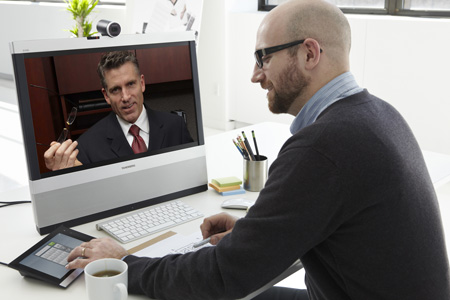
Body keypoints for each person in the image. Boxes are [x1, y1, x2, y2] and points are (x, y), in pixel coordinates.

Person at [66, 0, 450, 299]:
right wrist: (257, 233)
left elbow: (226, 275)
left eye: (263, 57)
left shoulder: (324, 146)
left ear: (309, 53)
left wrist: (124, 264)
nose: (254, 74)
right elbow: (331, 219)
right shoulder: (377, 113)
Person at [44, 50, 193, 170]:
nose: (126, 96)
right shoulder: (87, 146)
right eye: (115, 90)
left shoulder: (176, 126)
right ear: (106, 95)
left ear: (142, 83)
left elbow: (192, 175)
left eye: (130, 84)